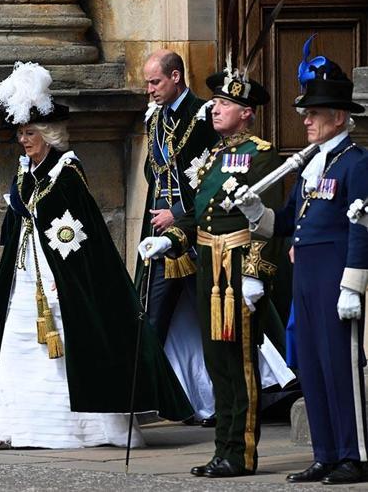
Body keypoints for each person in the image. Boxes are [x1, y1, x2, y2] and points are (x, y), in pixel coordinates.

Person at [0, 62, 192, 451]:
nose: (24, 139)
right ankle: (5, 425)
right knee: (17, 343)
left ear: (49, 134)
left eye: (30, 132)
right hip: (24, 273)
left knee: (65, 345)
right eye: (20, 132)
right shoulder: (25, 172)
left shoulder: (66, 171)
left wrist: (62, 273)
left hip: (57, 274)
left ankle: (76, 428)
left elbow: (78, 233)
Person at [140, 69, 286, 477]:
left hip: (238, 270)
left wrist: (257, 273)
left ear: (246, 113)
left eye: (224, 104)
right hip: (208, 269)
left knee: (238, 363)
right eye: (215, 102)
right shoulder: (214, 157)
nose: (215, 109)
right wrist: (172, 240)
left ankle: (240, 453)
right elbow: (201, 216)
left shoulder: (261, 155)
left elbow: (266, 220)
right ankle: (222, 448)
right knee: (215, 362)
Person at [236, 57, 368, 485]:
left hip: (335, 272)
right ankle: (326, 452)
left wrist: (353, 284)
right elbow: (288, 221)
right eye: (306, 114)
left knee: (340, 366)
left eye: (313, 114)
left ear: (339, 117)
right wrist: (258, 213)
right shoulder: (312, 163)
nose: (306, 121)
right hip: (306, 273)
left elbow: (362, 223)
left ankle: (355, 453)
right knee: (311, 365)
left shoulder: (355, 162)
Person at [138, 49, 219, 425]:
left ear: (175, 77)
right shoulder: (154, 119)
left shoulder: (203, 115)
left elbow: (213, 182)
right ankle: (154, 397)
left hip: (196, 232)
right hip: (160, 235)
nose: (150, 90)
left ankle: (220, 401)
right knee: (153, 316)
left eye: (155, 82)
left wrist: (180, 215)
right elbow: (153, 175)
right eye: (147, 83)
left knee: (211, 318)